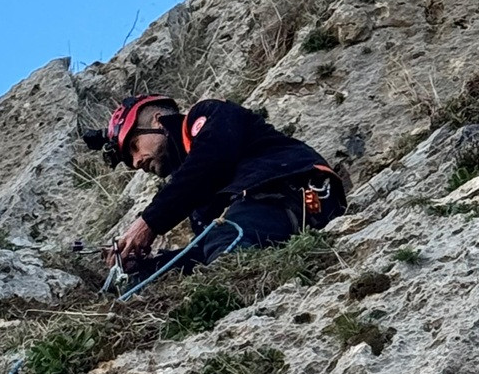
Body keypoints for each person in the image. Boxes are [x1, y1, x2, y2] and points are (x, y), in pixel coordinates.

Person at [82, 95, 346, 276]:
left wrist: (147, 223)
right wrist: (149, 266)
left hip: (293, 188)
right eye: (130, 161)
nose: (137, 161)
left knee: (226, 241)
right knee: (200, 254)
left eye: (134, 146)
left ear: (157, 119)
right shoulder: (196, 192)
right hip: (268, 213)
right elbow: (205, 250)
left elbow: (211, 160)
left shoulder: (208, 115)